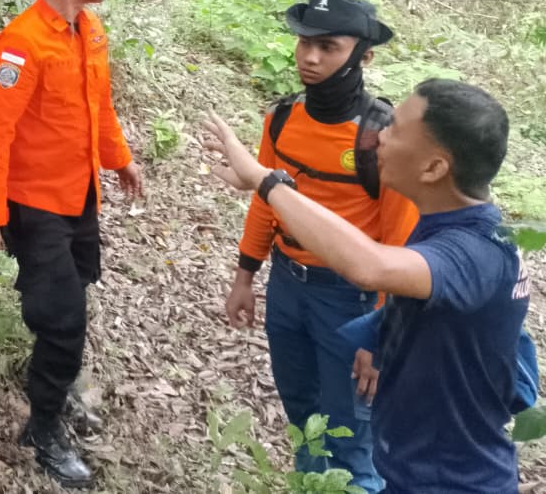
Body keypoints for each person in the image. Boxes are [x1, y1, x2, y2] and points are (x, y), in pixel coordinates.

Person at [204, 79, 530, 493]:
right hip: (415, 472)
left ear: (434, 168)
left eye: (395, 130)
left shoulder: (475, 252)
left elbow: (369, 266)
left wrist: (267, 182)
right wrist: (378, 337)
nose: (376, 137)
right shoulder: (451, 227)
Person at [0, 0, 144, 489]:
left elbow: (100, 106)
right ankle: (43, 429)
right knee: (65, 318)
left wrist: (120, 161)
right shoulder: (21, 43)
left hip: (80, 192)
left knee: (72, 293)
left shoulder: (89, 30)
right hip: (33, 203)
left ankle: (55, 376)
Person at [223, 0, 416, 492]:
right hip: (288, 285)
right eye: (305, 43)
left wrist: (380, 333)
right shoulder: (282, 119)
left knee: (352, 439)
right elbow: (266, 201)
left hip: (353, 301)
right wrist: (245, 277)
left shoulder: (382, 136)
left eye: (328, 47)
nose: (309, 57)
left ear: (363, 56)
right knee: (304, 418)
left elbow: (401, 244)